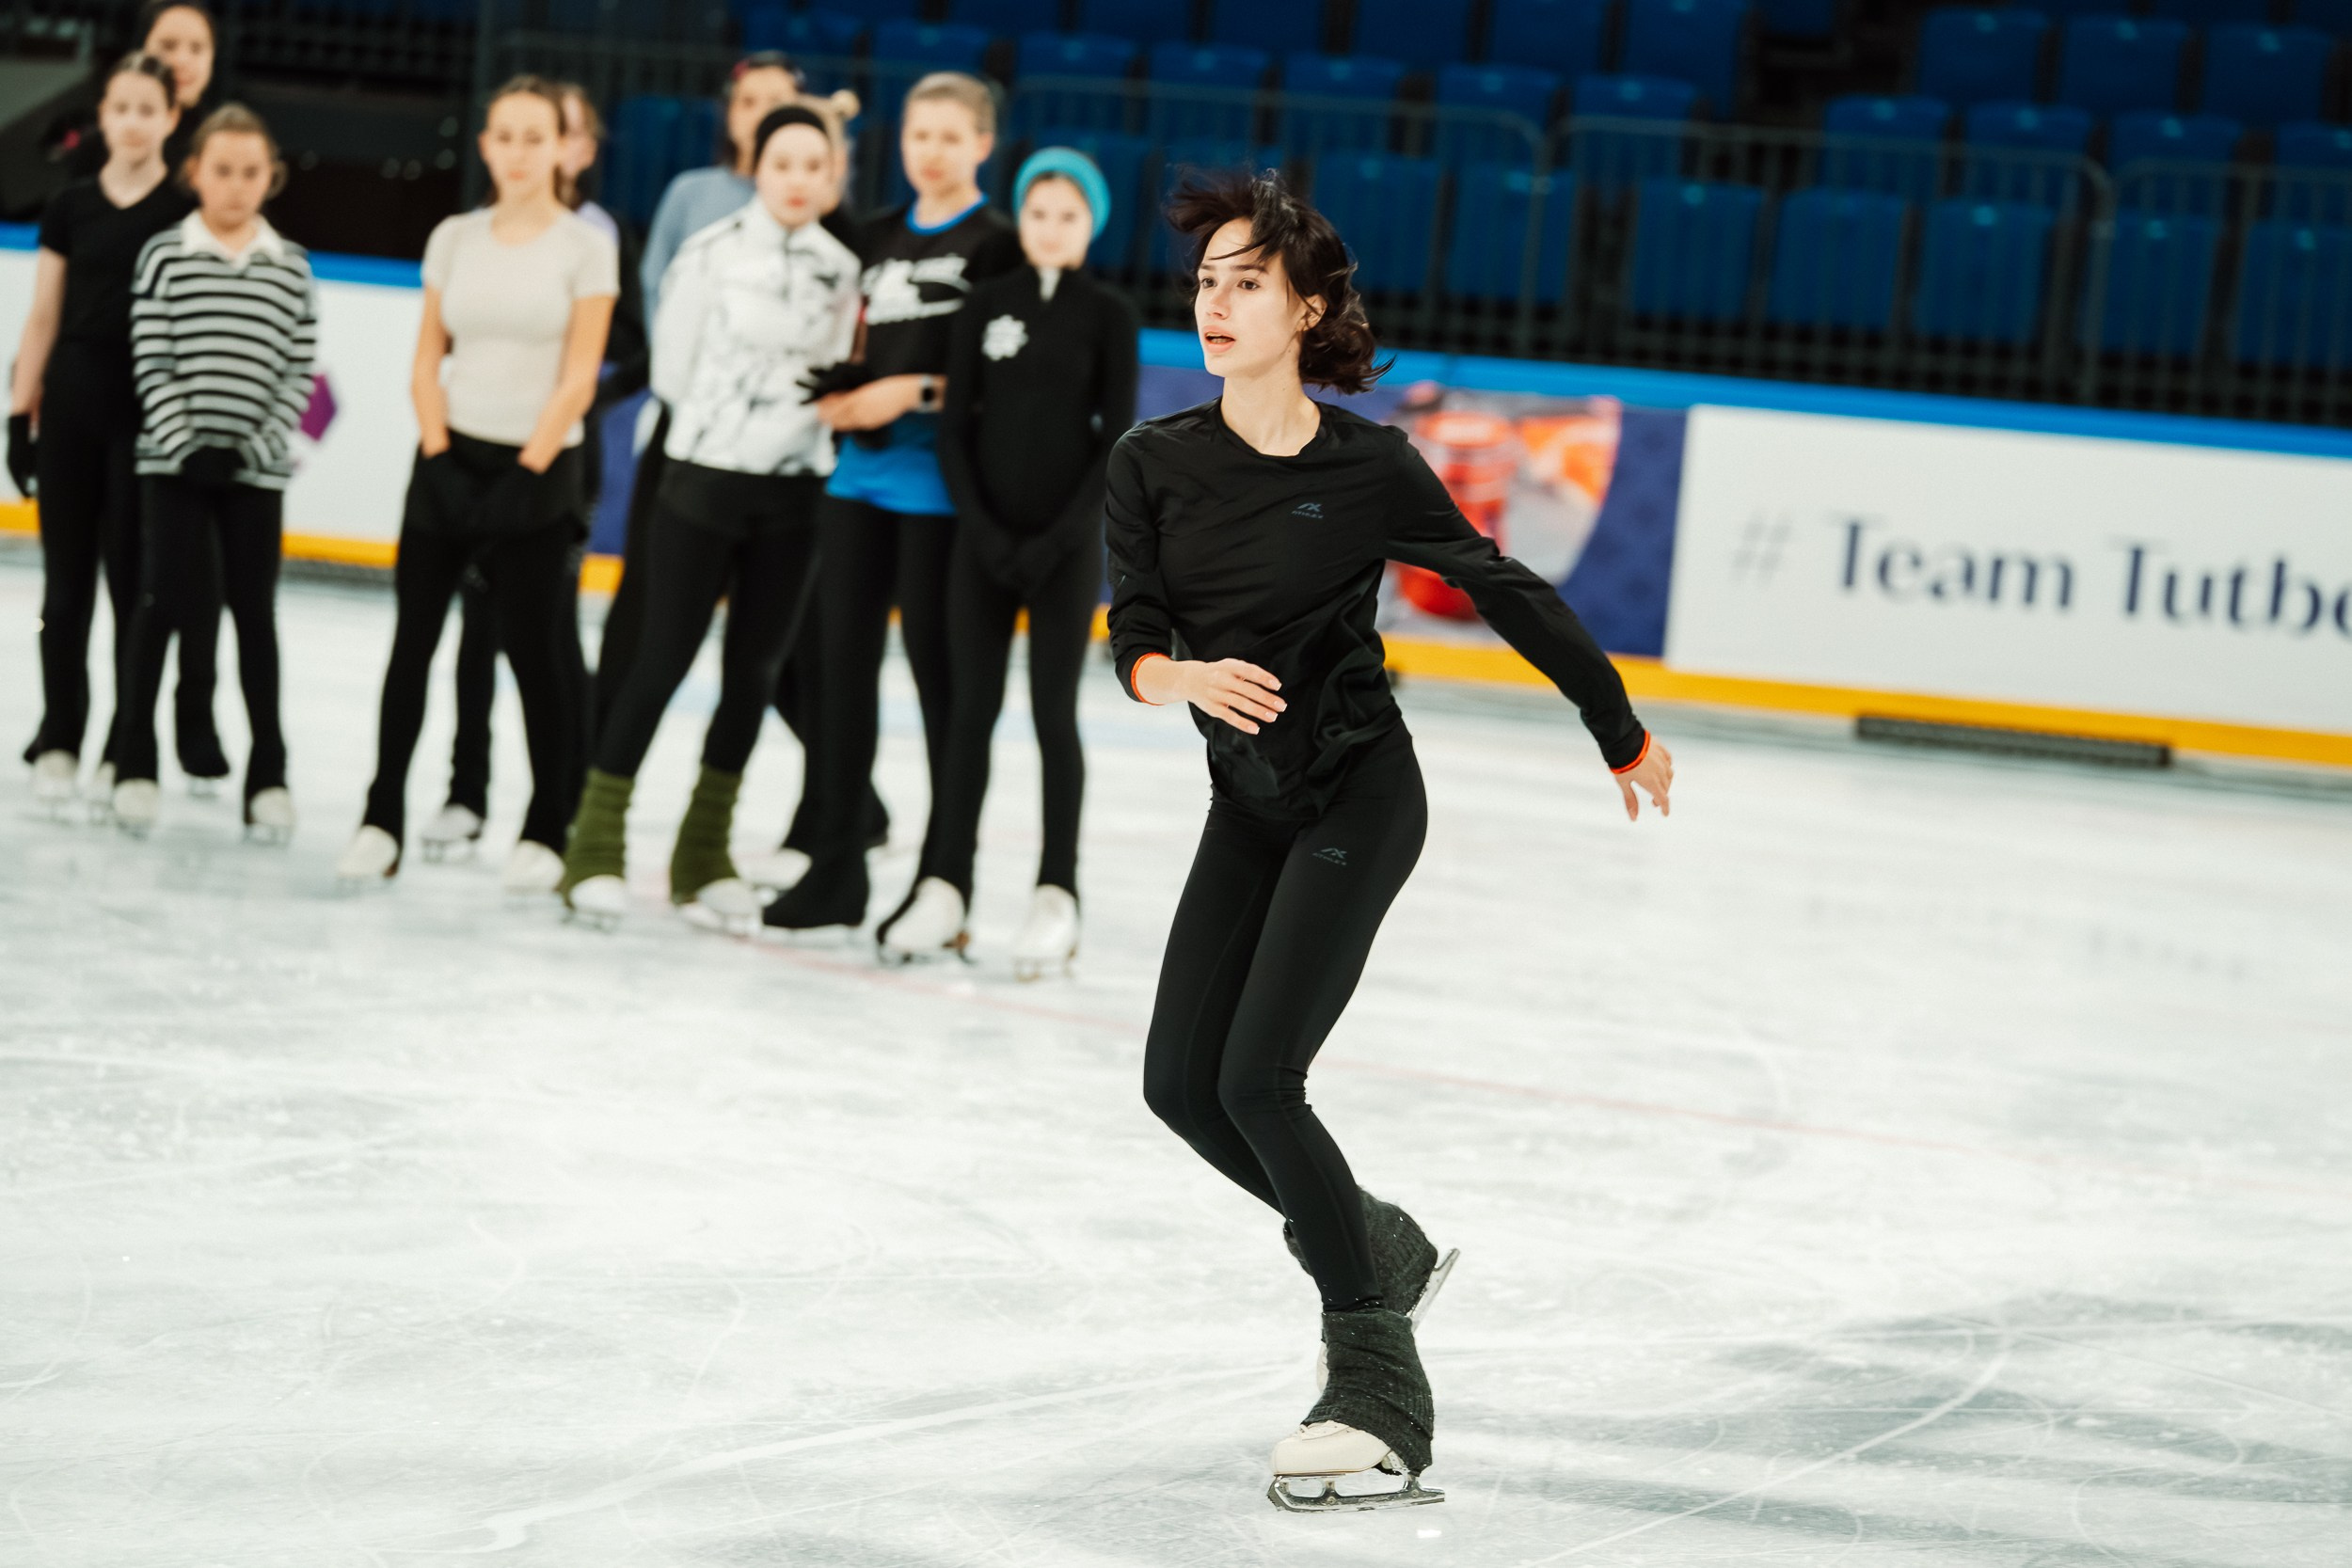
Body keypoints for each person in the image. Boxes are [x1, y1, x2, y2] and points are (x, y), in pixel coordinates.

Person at [1107, 171, 1677, 1509]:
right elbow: (1131, 637)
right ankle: (1377, 1243)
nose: (1218, 301)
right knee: (1177, 1084)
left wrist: (1617, 726)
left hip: (1361, 793)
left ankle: (1379, 1383)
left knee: (1257, 1076)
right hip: (1245, 799)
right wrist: (1181, 679)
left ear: (1307, 309)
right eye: (1206, 280)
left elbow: (1503, 583)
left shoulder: (1368, 468)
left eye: (1248, 280)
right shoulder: (1152, 463)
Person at [558, 104, 860, 932]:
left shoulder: (845, 271)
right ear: (757, 169)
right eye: (784, 163)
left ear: (833, 176)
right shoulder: (710, 252)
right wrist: (726, 438)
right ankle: (593, 846)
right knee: (659, 660)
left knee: (755, 674)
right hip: (700, 484)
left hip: (795, 494)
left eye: (815, 165)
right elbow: (677, 371)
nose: (799, 179)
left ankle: (702, 854)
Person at [335, 76, 617, 890]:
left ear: (562, 148)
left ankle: (546, 825)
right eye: (506, 136)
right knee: (412, 647)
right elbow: (427, 357)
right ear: (485, 143)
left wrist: (523, 473)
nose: (520, 153)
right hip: (446, 460)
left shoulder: (585, 246)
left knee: (534, 651)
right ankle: (380, 815)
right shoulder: (455, 236)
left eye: (537, 137)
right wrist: (439, 454)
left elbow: (578, 375)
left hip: (538, 471)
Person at [759, 71, 1023, 937]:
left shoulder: (1000, 247)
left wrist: (909, 392)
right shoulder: (871, 238)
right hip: (855, 487)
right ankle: (836, 867)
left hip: (942, 500)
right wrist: (842, 395)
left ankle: (944, 882)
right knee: (835, 680)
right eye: (919, 136)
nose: (932, 152)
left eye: (951, 137)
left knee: (942, 689)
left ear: (982, 145)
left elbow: (1009, 381)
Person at [877, 148, 1137, 973]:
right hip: (981, 543)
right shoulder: (986, 303)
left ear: (1091, 224)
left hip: (1061, 552)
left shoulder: (1108, 314)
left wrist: (1057, 540)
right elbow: (955, 429)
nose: (1050, 229)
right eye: (1037, 213)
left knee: (1053, 716)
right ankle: (944, 884)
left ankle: (1056, 894)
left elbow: (1114, 444)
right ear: (1021, 219)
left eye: (1067, 215)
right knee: (968, 717)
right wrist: (985, 533)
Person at [428, 79, 649, 863]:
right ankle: (465, 789)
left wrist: (576, 404)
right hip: (484, 452)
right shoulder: (478, 234)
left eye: (562, 133)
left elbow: (630, 348)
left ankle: (557, 800)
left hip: (557, 462)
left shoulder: (599, 237)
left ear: (577, 148)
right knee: (474, 632)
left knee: (545, 639)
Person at [9, 51, 226, 817]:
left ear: (172, 118)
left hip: (148, 416)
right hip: (70, 404)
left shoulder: (182, 211)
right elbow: (43, 313)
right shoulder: (69, 206)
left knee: (135, 586)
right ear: (102, 115)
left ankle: (122, 740)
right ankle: (60, 731)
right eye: (120, 107)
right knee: (64, 587)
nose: (132, 122)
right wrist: (18, 411)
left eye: (147, 109)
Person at [108, 105, 316, 841]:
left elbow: (299, 368)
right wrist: (186, 442)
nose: (235, 186)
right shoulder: (165, 255)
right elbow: (151, 356)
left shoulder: (290, 267)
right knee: (159, 604)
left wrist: (250, 446)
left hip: (254, 476)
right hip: (172, 465)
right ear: (195, 172)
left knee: (254, 617)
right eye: (221, 170)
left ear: (271, 178)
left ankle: (269, 775)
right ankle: (135, 760)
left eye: (250, 172)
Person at [55, 2, 221, 178]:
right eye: (168, 46)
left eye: (197, 48)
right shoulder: (98, 145)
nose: (182, 61)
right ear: (141, 49)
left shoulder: (224, 144)